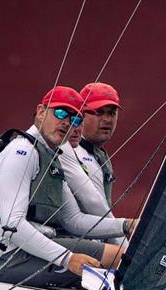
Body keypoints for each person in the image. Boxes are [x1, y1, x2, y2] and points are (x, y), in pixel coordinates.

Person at [0, 86, 128, 288]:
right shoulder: (22, 152)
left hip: (33, 249)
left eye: (75, 119)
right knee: (120, 259)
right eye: (60, 113)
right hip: (8, 257)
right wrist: (68, 259)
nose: (67, 123)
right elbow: (12, 225)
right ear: (41, 112)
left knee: (122, 258)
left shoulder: (51, 157)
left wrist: (127, 225)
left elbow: (73, 220)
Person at [58, 83, 135, 240]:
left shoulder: (96, 154)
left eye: (112, 113)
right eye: (99, 112)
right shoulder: (69, 149)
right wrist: (123, 246)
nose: (107, 119)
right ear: (81, 115)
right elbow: (94, 205)